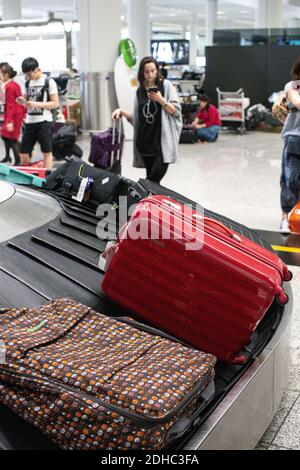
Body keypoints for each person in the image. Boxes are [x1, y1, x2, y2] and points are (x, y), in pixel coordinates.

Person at [112, 56, 182, 184]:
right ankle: (150, 203)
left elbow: (176, 111)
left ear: (157, 71)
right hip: (145, 143)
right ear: (142, 73)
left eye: (153, 71)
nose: (150, 75)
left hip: (162, 144)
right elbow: (138, 118)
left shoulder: (165, 86)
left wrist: (161, 100)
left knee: (152, 180)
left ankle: (137, 195)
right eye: (146, 71)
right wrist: (121, 112)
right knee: (153, 184)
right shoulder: (139, 91)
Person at [17, 57, 59, 170]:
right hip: (30, 121)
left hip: (44, 122)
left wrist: (37, 104)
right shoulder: (27, 82)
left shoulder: (49, 82)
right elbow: (26, 100)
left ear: (38, 69)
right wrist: (21, 101)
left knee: (46, 152)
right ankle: (27, 177)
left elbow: (55, 103)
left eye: (30, 74)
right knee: (23, 152)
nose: (28, 77)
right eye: (26, 75)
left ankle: (46, 179)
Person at [279, 58, 300, 234]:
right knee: (289, 179)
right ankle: (285, 217)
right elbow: (295, 100)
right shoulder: (292, 86)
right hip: (295, 137)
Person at [0, 64, 26, 165]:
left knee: (12, 138)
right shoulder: (9, 84)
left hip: (14, 114)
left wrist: (9, 121)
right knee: (4, 136)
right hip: (11, 112)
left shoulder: (10, 86)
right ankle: (7, 156)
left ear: (6, 74)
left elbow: (11, 104)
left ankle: (18, 161)